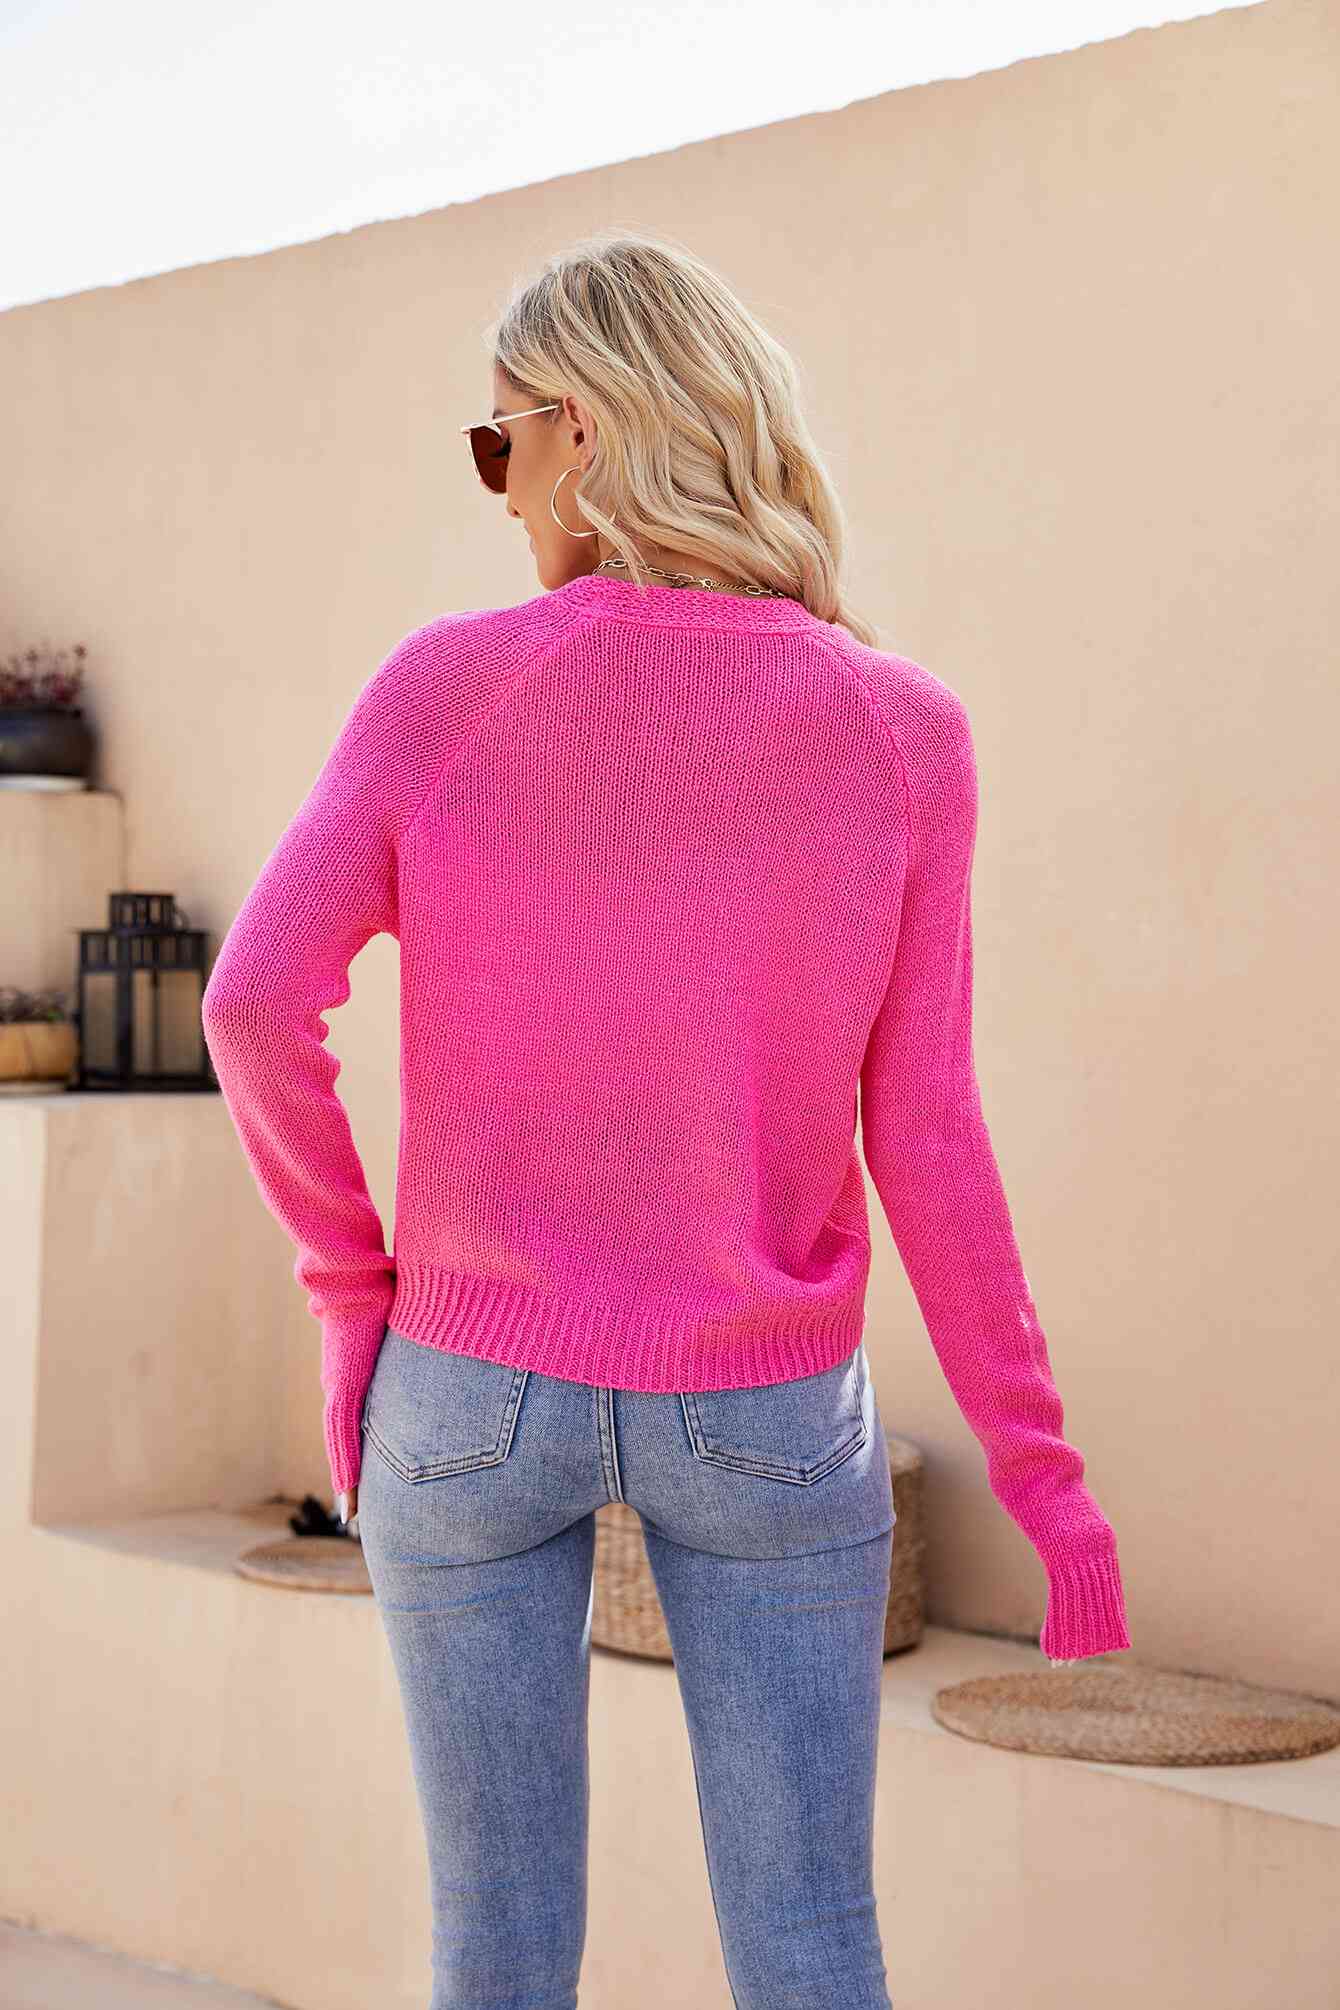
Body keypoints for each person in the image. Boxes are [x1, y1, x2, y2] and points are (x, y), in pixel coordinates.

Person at [201, 227, 1130, 2010]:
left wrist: (349, 1290)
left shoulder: (445, 690)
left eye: (498, 442)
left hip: (465, 1391)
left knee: (494, 1943)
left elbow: (251, 1004)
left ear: (585, 430)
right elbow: (928, 1129)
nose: (496, 490)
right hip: (767, 1408)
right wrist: (1046, 1485)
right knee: (809, 1937)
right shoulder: (904, 731)